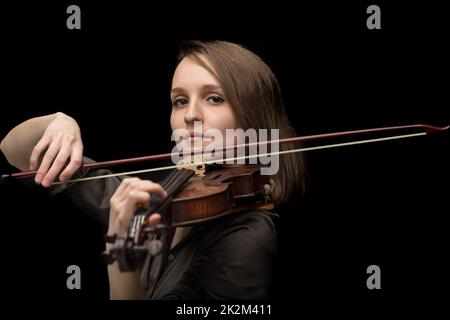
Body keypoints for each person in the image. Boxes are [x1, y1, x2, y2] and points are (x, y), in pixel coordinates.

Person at [0, 40, 306, 299]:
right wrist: (58, 122)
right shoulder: (172, 193)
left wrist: (122, 254)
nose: (190, 115)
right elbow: (13, 151)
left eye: (214, 98)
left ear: (253, 115)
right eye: (180, 101)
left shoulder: (249, 238)